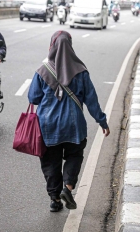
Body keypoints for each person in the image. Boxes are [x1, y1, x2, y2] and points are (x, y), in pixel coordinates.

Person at [28, 31, 110, 212]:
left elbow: (33, 97)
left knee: (51, 162)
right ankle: (68, 188)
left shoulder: (43, 71)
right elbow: (92, 101)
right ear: (70, 46)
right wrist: (102, 122)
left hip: (48, 127)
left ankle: (55, 199)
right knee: (74, 155)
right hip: (74, 127)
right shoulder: (81, 71)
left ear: (52, 46)